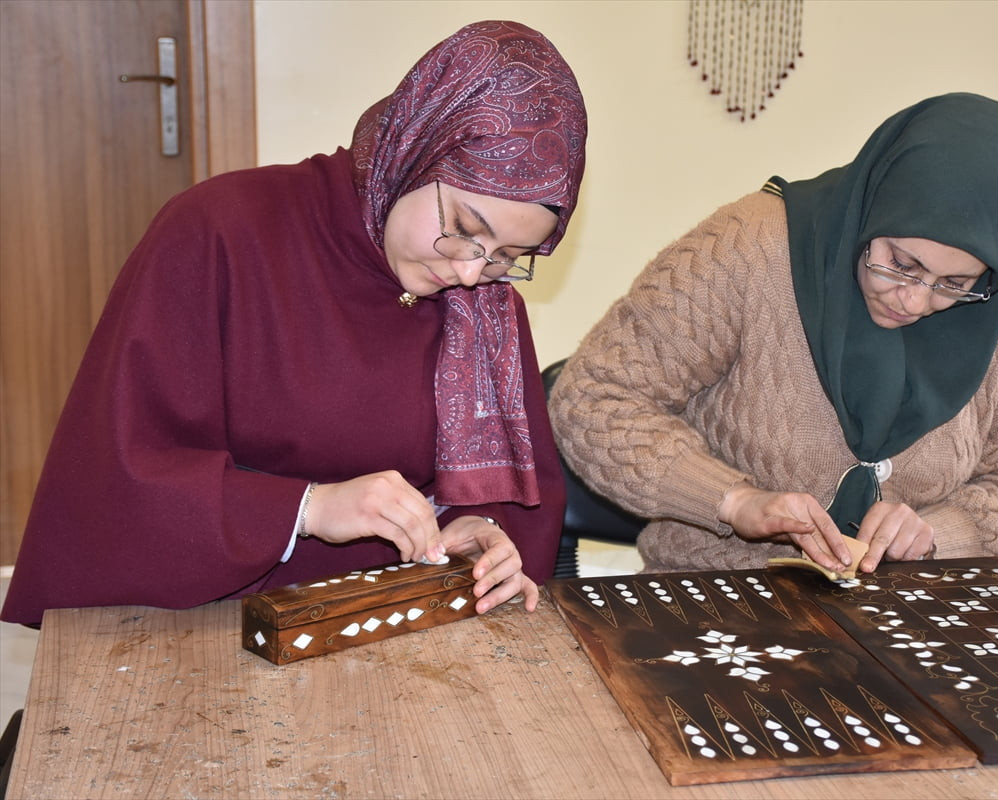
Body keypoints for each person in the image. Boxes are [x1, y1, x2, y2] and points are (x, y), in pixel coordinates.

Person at [1, 20, 587, 627]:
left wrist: (478, 532)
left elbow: (516, 501)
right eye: (466, 229)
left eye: (507, 259)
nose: (470, 273)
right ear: (416, 148)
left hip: (402, 623)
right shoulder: (221, 233)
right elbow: (118, 477)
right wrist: (307, 508)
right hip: (211, 623)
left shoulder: (486, 305)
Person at [549, 93, 998, 577]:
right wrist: (732, 501)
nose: (913, 300)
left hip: (907, 606)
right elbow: (594, 400)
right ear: (871, 211)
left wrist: (940, 532)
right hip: (720, 594)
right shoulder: (748, 249)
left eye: (953, 285)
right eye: (900, 263)